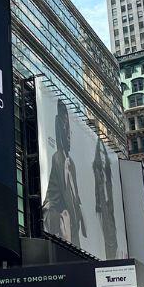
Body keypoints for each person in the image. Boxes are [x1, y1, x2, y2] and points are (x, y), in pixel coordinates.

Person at [42, 100, 87, 248]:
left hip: (75, 239)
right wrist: (60, 220)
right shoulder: (57, 159)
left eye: (69, 128)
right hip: (65, 241)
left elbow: (74, 197)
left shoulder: (71, 163)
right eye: (64, 126)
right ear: (58, 128)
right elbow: (49, 203)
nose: (68, 134)